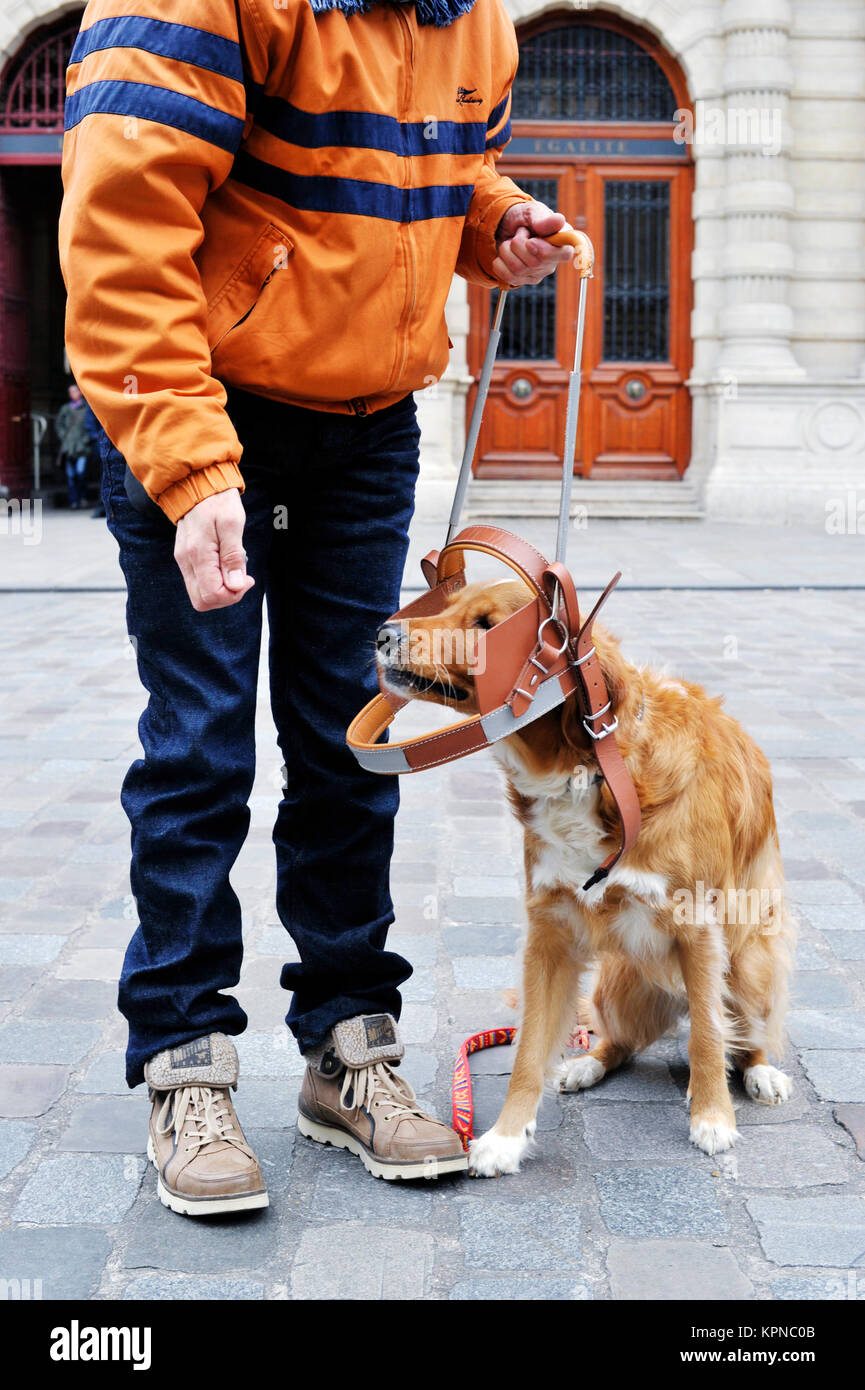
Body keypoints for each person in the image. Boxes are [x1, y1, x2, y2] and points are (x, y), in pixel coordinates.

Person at [59, 0, 578, 1215]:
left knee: (355, 747)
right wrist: (191, 475)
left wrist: (492, 221)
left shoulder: (473, 20)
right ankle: (184, 1058)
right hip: (204, 409)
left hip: (365, 437)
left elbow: (433, 171)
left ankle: (350, 1044)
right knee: (198, 745)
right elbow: (122, 233)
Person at [55, 383, 91, 509]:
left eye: (74, 391)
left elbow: (91, 425)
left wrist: (86, 439)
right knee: (71, 476)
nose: (72, 394)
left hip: (82, 447)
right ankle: (74, 501)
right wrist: (63, 435)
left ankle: (83, 498)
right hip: (68, 448)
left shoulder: (87, 408)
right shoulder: (65, 408)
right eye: (70, 392)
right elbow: (59, 424)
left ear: (80, 392)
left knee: (80, 473)